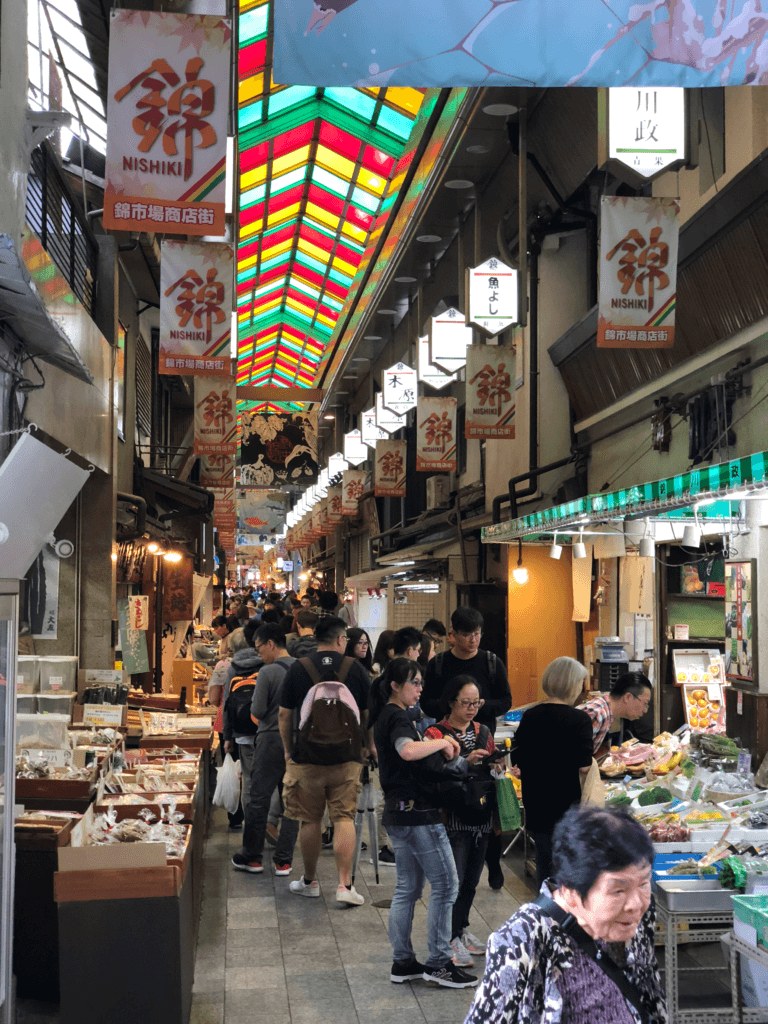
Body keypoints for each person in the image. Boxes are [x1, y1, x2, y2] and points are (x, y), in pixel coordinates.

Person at [464, 805, 666, 1024]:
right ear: (570, 892)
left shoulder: (634, 918)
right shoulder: (522, 940)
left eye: (644, 883)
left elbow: (648, 996)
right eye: (618, 890)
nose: (636, 904)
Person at [371, 657, 478, 989]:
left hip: (398, 813)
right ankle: (439, 963)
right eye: (413, 683)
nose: (419, 689)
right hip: (417, 815)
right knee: (446, 885)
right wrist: (444, 742)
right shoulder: (397, 716)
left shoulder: (387, 716)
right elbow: (406, 750)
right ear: (395, 685)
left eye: (420, 683)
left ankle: (403, 962)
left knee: (408, 889)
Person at [278, 616, 372, 905]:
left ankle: (309, 881)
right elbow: (367, 714)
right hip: (347, 757)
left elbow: (284, 714)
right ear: (341, 639)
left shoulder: (298, 668)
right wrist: (366, 746)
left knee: (310, 819)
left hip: (307, 756)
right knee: (344, 817)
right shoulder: (355, 669)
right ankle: (344, 886)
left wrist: (287, 750)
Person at [422, 607, 512, 889]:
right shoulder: (439, 664)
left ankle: (493, 861)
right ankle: (456, 866)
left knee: (486, 800)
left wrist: (481, 707)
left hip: (483, 736)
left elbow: (506, 700)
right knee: (455, 801)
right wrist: (453, 708)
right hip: (446, 738)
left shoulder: (491, 662)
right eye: (467, 635)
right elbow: (427, 702)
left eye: (477, 634)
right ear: (453, 635)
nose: (473, 640)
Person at [425, 675, 502, 968]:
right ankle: (449, 937)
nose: (471, 709)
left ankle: (461, 929)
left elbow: (493, 765)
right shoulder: (435, 733)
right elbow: (431, 771)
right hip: (452, 815)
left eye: (476, 703)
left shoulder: (483, 730)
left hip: (481, 812)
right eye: (465, 703)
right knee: (452, 881)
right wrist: (464, 762)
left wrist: (497, 765)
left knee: (471, 879)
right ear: (451, 701)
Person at [512, 657, 593, 885]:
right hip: (567, 804)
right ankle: (565, 916)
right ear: (571, 684)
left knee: (544, 862)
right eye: (580, 683)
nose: (580, 689)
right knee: (567, 868)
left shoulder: (530, 716)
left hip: (536, 802)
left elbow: (519, 757)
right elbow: (584, 765)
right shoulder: (580, 719)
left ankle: (545, 914)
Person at [232, 622, 300, 876]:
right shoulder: (303, 668)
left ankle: (252, 857)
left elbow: (257, 710)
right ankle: (284, 861)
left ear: (271, 644)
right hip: (298, 742)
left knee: (259, 798)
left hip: (270, 740)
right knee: (292, 801)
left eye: (259, 648)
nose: (258, 654)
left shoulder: (268, 672)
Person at [580, 672, 653, 757]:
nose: (645, 710)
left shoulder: (606, 710)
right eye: (645, 703)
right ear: (628, 697)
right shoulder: (598, 714)